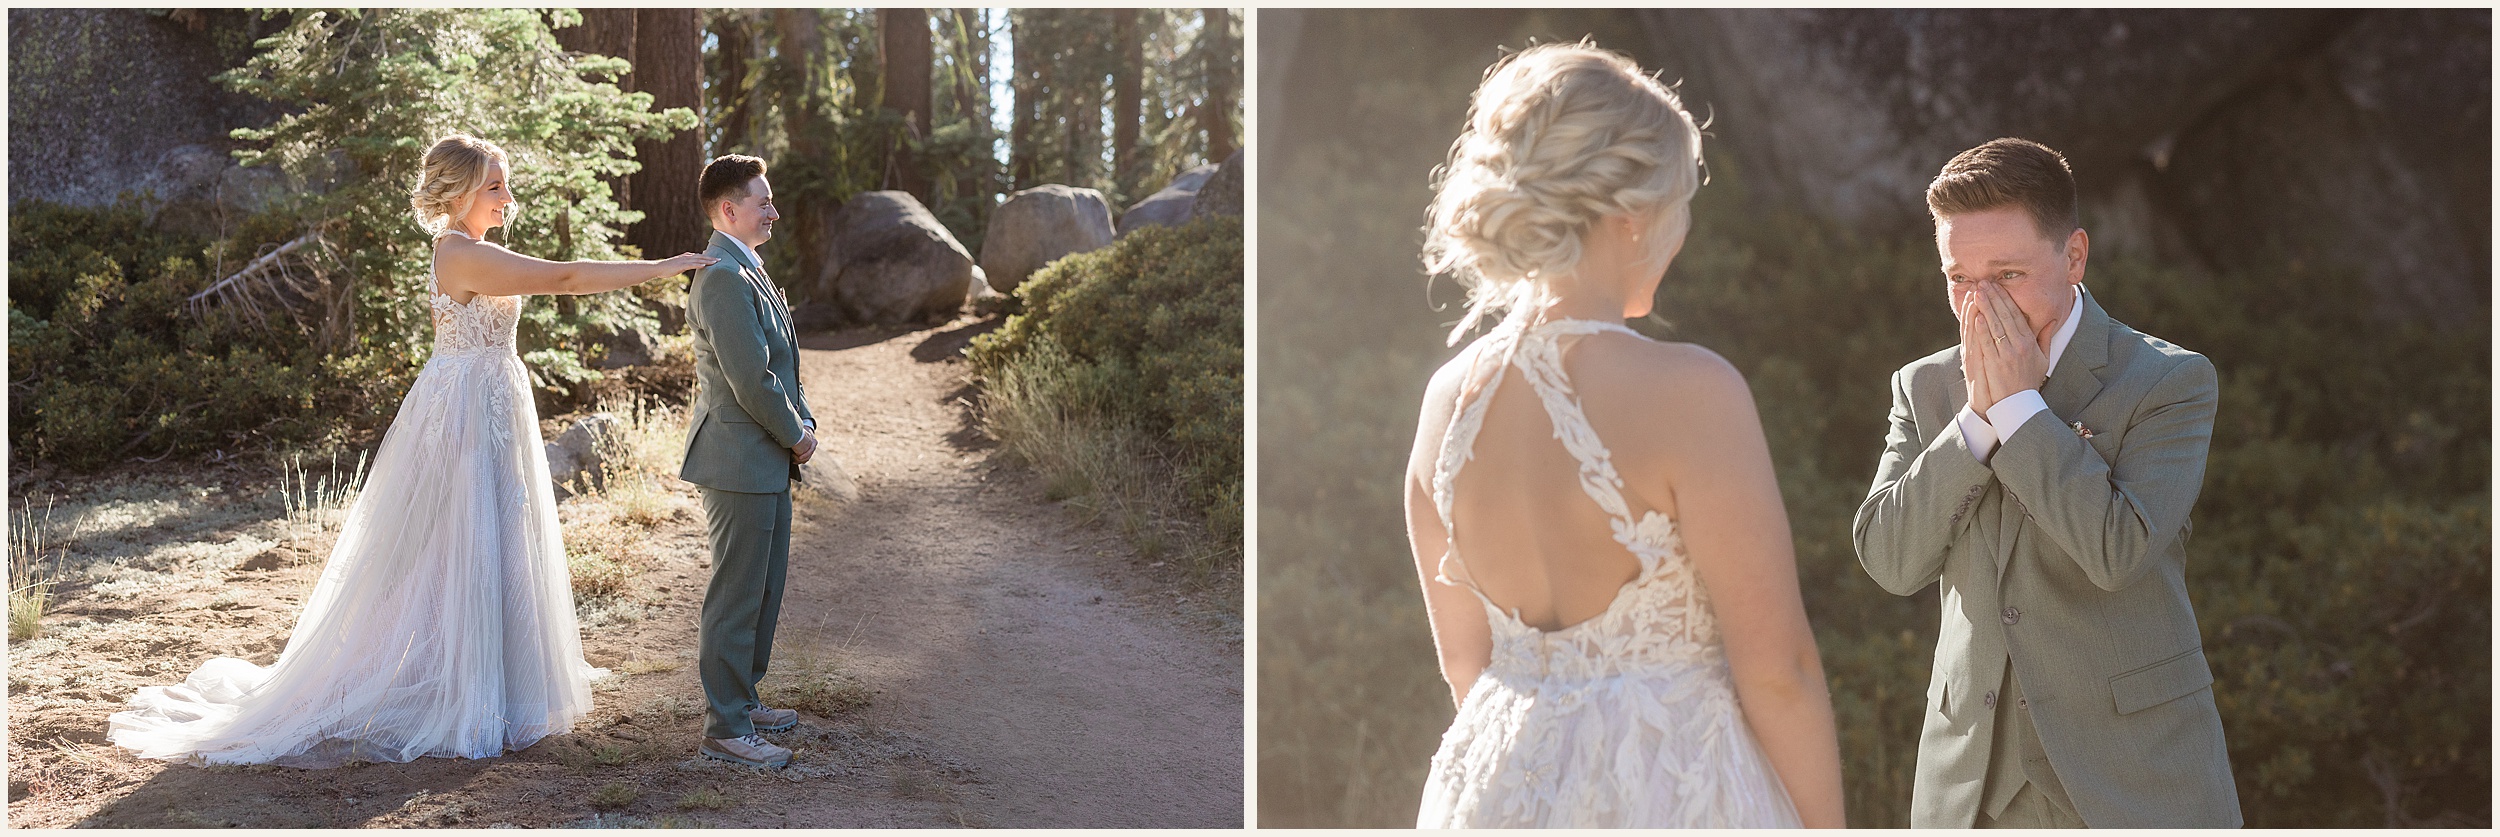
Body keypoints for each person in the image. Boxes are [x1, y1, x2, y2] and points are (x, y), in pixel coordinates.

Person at [107, 134, 714, 767]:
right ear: (458, 195)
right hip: (466, 408)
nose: (508, 197)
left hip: (488, 398)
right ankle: (460, 688)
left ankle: (501, 686)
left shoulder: (474, 249)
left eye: (505, 184)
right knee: (463, 542)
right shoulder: (459, 254)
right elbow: (564, 278)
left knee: (500, 537)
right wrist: (667, 266)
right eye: (494, 187)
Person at [1402, 42, 1845, 828]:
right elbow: (1779, 671)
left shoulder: (1443, 404)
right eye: (1681, 204)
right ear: (1632, 218)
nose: (1682, 231)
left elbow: (1465, 662)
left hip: (1496, 790)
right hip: (1674, 793)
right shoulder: (1692, 393)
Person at [1852, 138, 2240, 827]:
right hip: (1970, 792)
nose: (1978, 306)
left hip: (2134, 782)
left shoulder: (2169, 381)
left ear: (2075, 256)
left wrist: (2020, 411)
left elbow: (2119, 551)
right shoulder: (1924, 387)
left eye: (2005, 275)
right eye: (1958, 278)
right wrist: (1976, 419)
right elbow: (1888, 558)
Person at [676, 154, 817, 769]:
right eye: (763, 202)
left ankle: (744, 698)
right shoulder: (722, 278)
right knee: (736, 593)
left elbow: (782, 363)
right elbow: (751, 380)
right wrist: (798, 435)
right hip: (738, 455)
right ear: (729, 209)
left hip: (764, 455)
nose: (773, 212)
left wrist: (800, 422)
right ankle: (725, 727)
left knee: (765, 585)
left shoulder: (747, 268)